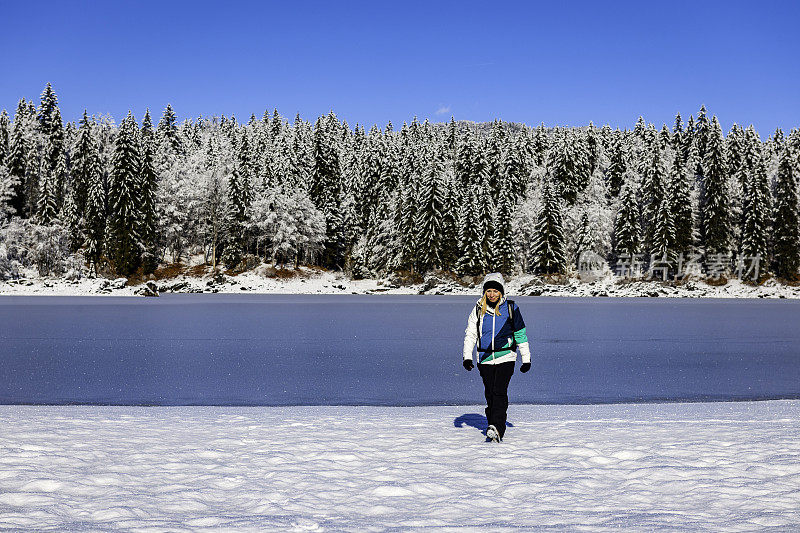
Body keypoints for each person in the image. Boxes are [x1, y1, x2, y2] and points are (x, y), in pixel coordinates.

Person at [462, 272, 531, 442]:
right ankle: (492, 423)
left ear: (501, 292)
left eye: (495, 291)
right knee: (490, 393)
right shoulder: (478, 309)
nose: (492, 294)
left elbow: (520, 334)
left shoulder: (511, 308)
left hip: (506, 356)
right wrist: (467, 357)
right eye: (489, 291)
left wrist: (526, 358)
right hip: (484, 358)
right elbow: (470, 334)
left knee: (499, 391)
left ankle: (497, 427)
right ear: (484, 292)